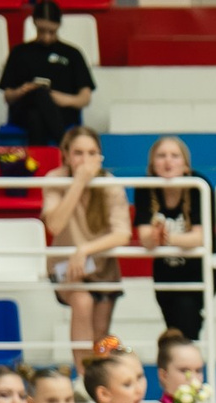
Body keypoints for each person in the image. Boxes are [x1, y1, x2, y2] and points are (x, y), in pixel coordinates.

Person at [40, 127, 128, 360]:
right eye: (78, 153)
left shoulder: (109, 183)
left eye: (92, 153)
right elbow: (55, 225)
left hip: (101, 265)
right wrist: (78, 183)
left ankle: (98, 376)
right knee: (82, 300)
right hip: (65, 266)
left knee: (101, 335)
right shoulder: (55, 179)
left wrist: (85, 249)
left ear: (100, 156)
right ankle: (82, 376)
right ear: (66, 155)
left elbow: (123, 233)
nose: (85, 160)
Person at [133, 136, 208, 341]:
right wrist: (154, 237)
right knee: (173, 327)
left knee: (186, 318)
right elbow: (145, 239)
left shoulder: (198, 185)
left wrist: (166, 238)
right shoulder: (145, 187)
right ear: (152, 165)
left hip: (197, 269)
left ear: (185, 165)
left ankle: (187, 365)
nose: (168, 161)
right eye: (161, 156)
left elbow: (200, 238)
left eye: (175, 156)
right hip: (165, 269)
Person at [0, 0, 95, 147]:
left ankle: (39, 164)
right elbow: (8, 96)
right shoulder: (19, 52)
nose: (46, 37)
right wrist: (21, 91)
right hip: (22, 111)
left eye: (52, 32)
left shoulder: (72, 54)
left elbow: (85, 98)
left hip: (62, 113)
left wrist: (62, 99)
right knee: (38, 95)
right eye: (41, 31)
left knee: (36, 115)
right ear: (34, 24)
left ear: (59, 26)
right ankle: (64, 146)